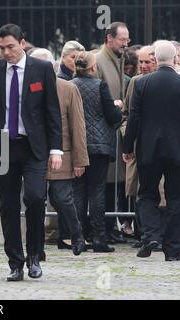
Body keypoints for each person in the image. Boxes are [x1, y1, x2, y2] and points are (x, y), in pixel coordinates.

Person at [0, 24, 63, 282]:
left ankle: (35, 255)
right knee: (8, 207)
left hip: (33, 146)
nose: (7, 52)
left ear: (22, 43)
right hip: (2, 145)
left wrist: (56, 149)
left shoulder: (42, 69)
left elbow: (52, 112)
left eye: (11, 46)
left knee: (35, 198)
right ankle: (15, 262)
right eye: (1, 48)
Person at [123, 41, 180, 261]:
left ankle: (151, 235)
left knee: (146, 194)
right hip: (176, 149)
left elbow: (134, 118)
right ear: (175, 59)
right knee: (176, 197)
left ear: (155, 59)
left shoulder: (142, 84)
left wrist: (128, 147)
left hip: (148, 149)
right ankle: (173, 248)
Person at [31, 49, 89, 255]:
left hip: (62, 154)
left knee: (62, 198)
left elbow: (77, 125)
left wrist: (80, 160)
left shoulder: (67, 88)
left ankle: (76, 233)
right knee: (35, 201)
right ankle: (36, 248)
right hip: (34, 155)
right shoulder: (27, 88)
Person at [72, 51, 123, 253]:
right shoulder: (99, 85)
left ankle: (78, 237)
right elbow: (112, 116)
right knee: (96, 190)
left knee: (77, 190)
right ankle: (99, 238)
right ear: (93, 67)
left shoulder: (70, 85)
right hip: (99, 145)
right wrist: (117, 107)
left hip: (77, 144)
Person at [95, 22, 130, 245]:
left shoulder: (117, 58)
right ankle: (104, 228)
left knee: (113, 182)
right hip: (103, 130)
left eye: (127, 40)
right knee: (104, 183)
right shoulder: (100, 61)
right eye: (122, 40)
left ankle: (110, 226)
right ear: (109, 38)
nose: (126, 44)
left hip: (113, 129)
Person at [120, 45, 157, 243]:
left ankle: (154, 234)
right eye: (140, 62)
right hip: (138, 145)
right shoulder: (134, 82)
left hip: (158, 146)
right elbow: (126, 115)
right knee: (140, 192)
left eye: (147, 62)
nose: (143, 66)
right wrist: (129, 137)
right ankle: (143, 234)